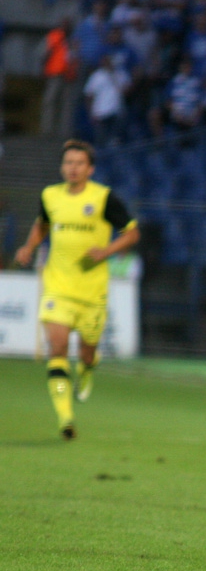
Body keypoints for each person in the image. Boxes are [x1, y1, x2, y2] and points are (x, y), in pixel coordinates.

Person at [13, 139, 140, 440]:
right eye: (68, 162)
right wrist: (30, 246)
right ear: (62, 167)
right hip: (58, 285)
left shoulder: (103, 198)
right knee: (56, 346)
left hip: (91, 291)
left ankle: (87, 368)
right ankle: (65, 418)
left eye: (79, 163)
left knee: (86, 352)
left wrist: (107, 251)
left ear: (90, 168)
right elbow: (43, 224)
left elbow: (132, 233)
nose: (72, 168)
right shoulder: (50, 195)